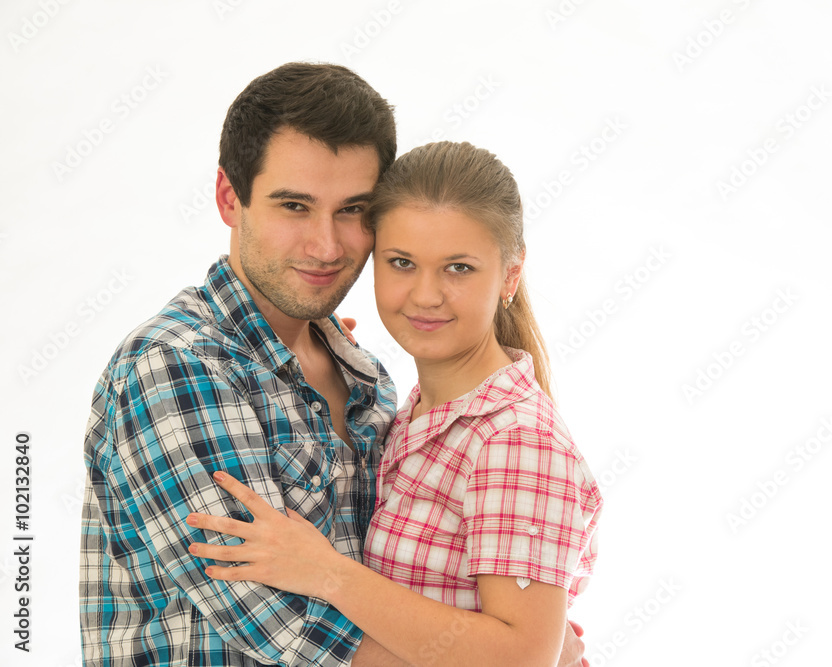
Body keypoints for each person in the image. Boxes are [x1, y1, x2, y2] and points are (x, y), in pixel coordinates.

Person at [80, 62, 588, 666]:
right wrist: (535, 655)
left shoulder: (367, 378)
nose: (325, 246)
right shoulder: (174, 370)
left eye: (352, 210)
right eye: (294, 205)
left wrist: (527, 646)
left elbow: (418, 585)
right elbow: (291, 632)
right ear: (228, 198)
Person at [186, 141, 604, 667]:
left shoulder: (513, 437)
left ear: (511, 276)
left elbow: (518, 659)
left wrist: (327, 573)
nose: (425, 295)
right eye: (402, 263)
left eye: (458, 268)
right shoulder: (409, 413)